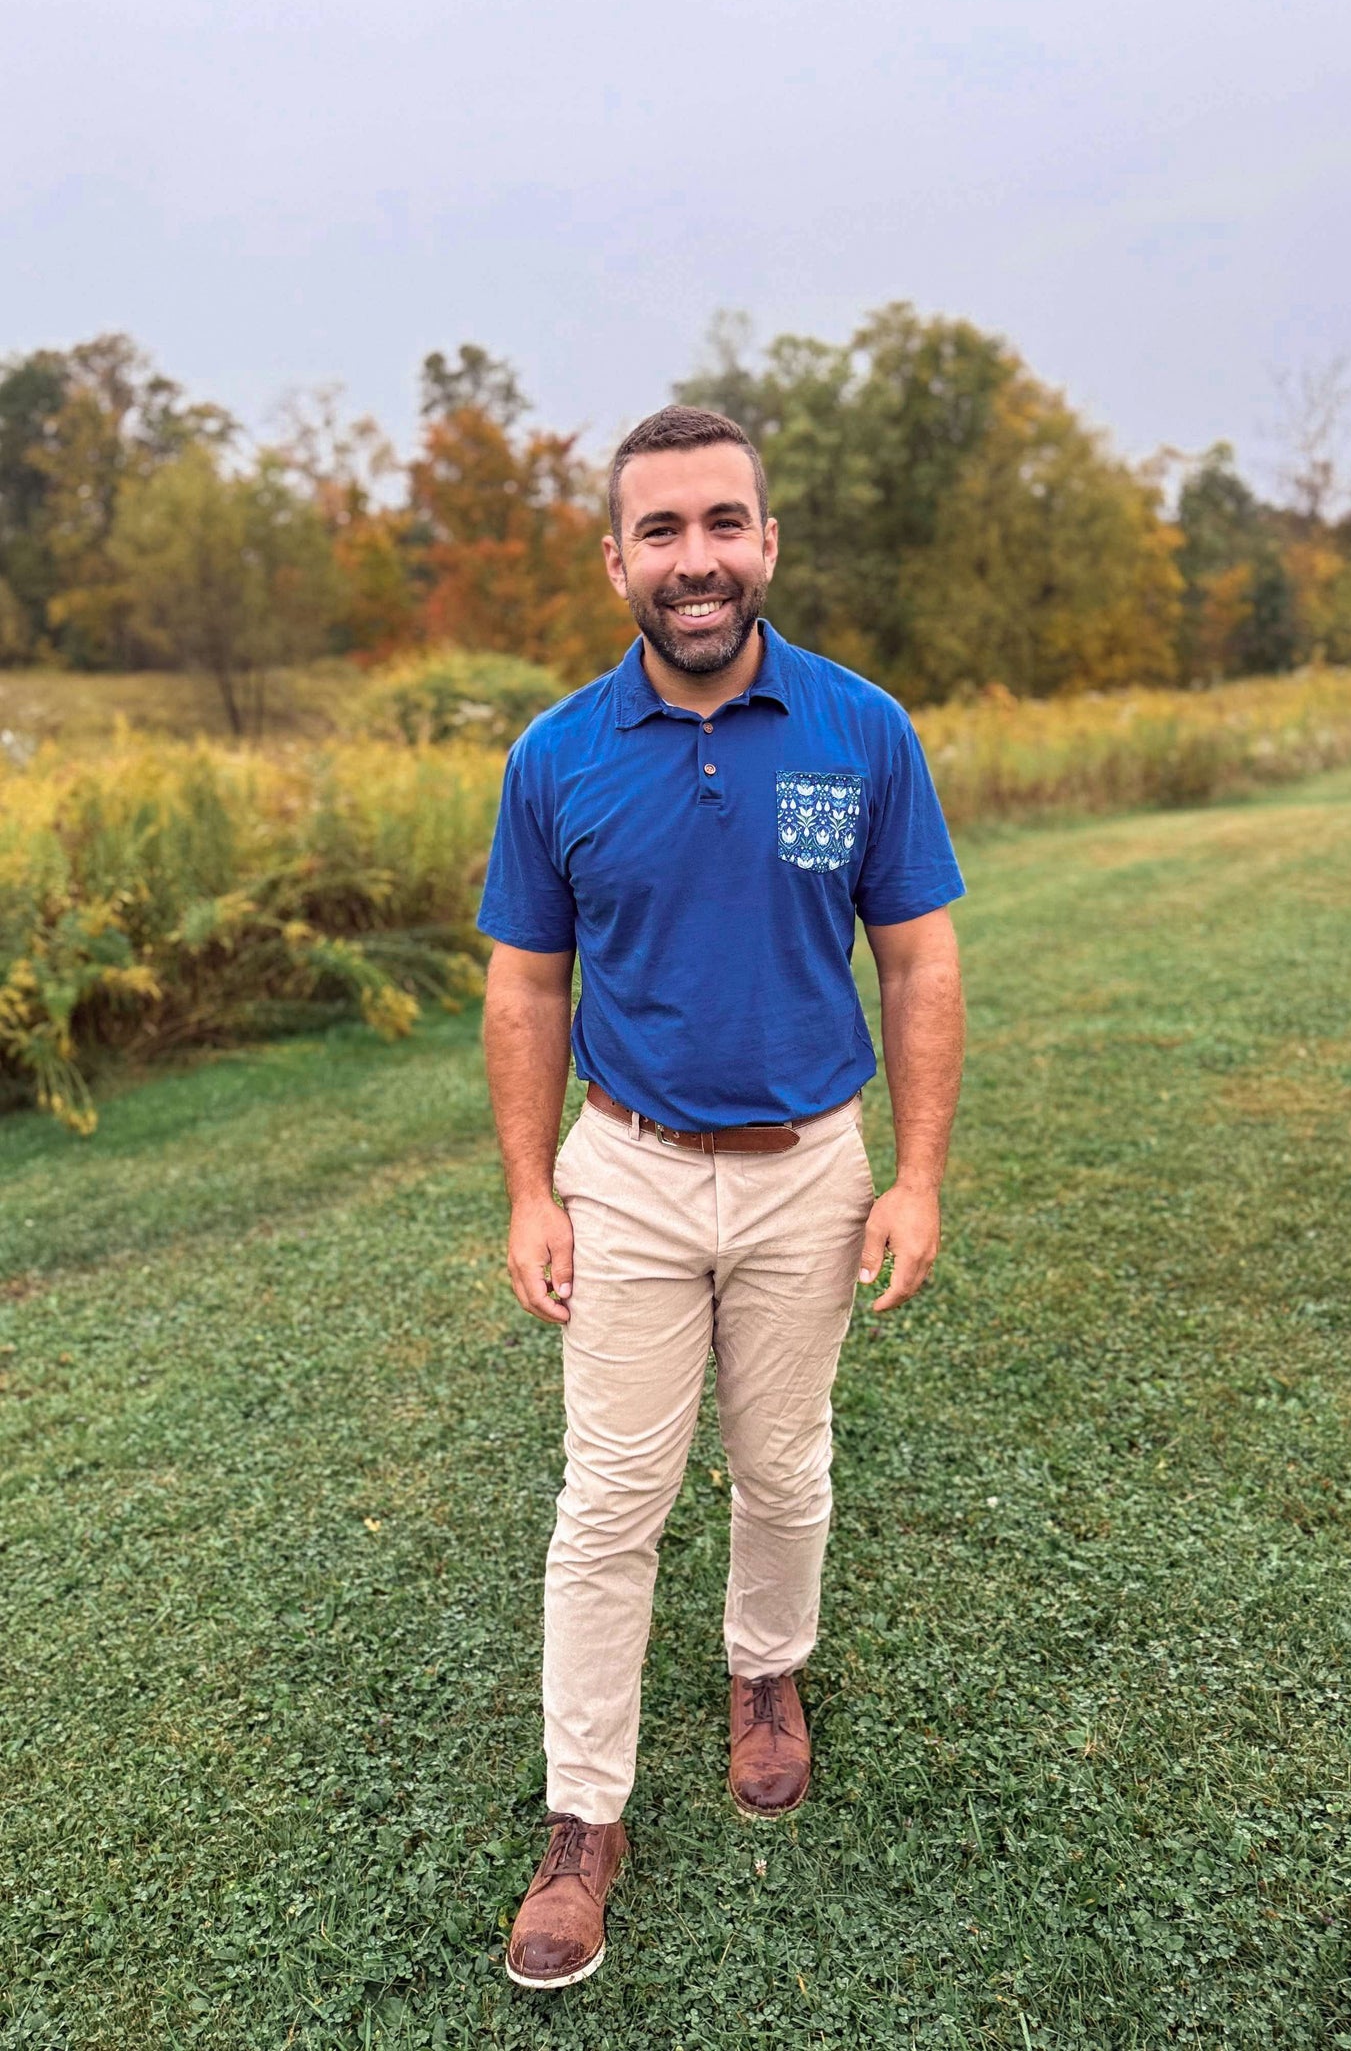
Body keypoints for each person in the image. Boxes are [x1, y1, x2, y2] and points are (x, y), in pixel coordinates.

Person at [478, 405, 965, 1990]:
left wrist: (917, 1175)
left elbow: (917, 956)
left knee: (782, 1463)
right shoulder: (554, 755)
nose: (697, 559)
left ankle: (765, 1674)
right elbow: (524, 985)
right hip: (618, 1171)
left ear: (768, 541)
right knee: (608, 1498)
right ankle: (582, 1817)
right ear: (617, 557)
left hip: (807, 1172)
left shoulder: (859, 728)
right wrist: (527, 1190)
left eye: (723, 523)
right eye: (663, 531)